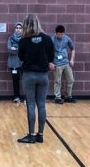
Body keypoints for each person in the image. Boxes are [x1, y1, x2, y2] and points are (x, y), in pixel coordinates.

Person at [17, 14, 55, 144]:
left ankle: (31, 135)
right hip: (43, 76)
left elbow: (21, 57)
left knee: (31, 105)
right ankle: (40, 135)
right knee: (42, 105)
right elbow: (51, 57)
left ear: (26, 25)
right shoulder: (47, 39)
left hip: (29, 76)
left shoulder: (23, 40)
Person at [51, 25, 75, 104]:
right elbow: (47, 51)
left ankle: (68, 96)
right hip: (57, 63)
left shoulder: (67, 38)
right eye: (59, 34)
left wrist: (72, 59)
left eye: (62, 34)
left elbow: (73, 49)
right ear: (56, 33)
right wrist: (50, 62)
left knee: (70, 79)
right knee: (57, 81)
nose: (60, 35)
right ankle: (57, 97)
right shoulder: (52, 39)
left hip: (66, 62)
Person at [7, 22, 23, 103]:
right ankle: (16, 97)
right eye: (17, 28)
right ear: (15, 29)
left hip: (23, 63)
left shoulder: (25, 39)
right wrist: (19, 49)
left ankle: (27, 97)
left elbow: (25, 51)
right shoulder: (10, 38)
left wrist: (15, 48)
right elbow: (9, 50)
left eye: (20, 28)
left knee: (25, 80)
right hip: (13, 63)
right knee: (15, 80)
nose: (18, 29)